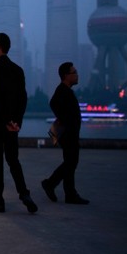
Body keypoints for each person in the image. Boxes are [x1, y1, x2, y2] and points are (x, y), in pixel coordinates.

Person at [0, 32, 37, 214]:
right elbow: (22, 99)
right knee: (13, 160)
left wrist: (6, 120)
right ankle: (24, 194)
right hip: (12, 126)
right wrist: (16, 122)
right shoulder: (18, 70)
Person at [42, 62, 89, 204]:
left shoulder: (67, 90)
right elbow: (53, 103)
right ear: (66, 76)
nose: (76, 75)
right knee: (70, 162)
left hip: (71, 133)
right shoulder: (62, 90)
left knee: (71, 163)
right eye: (74, 72)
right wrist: (65, 120)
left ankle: (69, 193)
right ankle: (51, 184)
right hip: (68, 134)